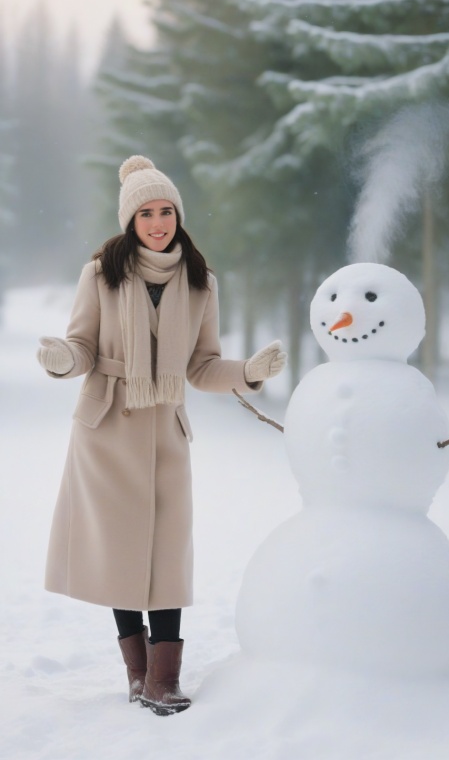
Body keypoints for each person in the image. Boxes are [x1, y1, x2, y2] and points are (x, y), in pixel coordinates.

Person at [36, 155, 287, 716]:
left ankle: (163, 679)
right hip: (106, 430)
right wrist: (60, 359)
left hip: (166, 433)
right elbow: (81, 348)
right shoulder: (101, 273)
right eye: (146, 212)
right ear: (130, 220)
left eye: (166, 211)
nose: (157, 222)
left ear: (178, 215)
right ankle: (140, 675)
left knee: (167, 555)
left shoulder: (200, 282)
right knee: (119, 554)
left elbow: (202, 367)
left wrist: (248, 372)